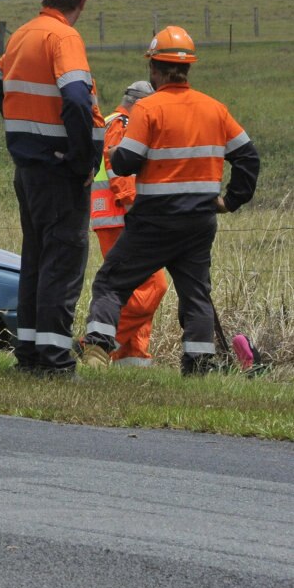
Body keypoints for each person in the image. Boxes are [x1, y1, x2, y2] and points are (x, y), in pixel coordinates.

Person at [81, 26, 260, 375]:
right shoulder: (215, 109)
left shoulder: (148, 109)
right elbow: (249, 158)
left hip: (154, 221)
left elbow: (126, 162)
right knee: (196, 296)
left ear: (154, 69)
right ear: (188, 68)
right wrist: (230, 201)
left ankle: (97, 349)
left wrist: (116, 152)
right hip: (199, 221)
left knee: (111, 282)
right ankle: (197, 366)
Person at [0, 0, 105, 377]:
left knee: (36, 259)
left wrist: (24, 127)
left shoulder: (23, 34)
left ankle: (31, 354)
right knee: (63, 260)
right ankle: (55, 361)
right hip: (59, 172)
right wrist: (78, 157)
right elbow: (75, 97)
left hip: (30, 169)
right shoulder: (63, 38)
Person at [81, 80, 169, 367]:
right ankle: (93, 345)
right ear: (141, 104)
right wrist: (136, 211)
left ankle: (132, 358)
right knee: (154, 286)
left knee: (135, 288)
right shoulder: (125, 122)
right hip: (122, 218)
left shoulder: (109, 121)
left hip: (113, 218)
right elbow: (119, 170)